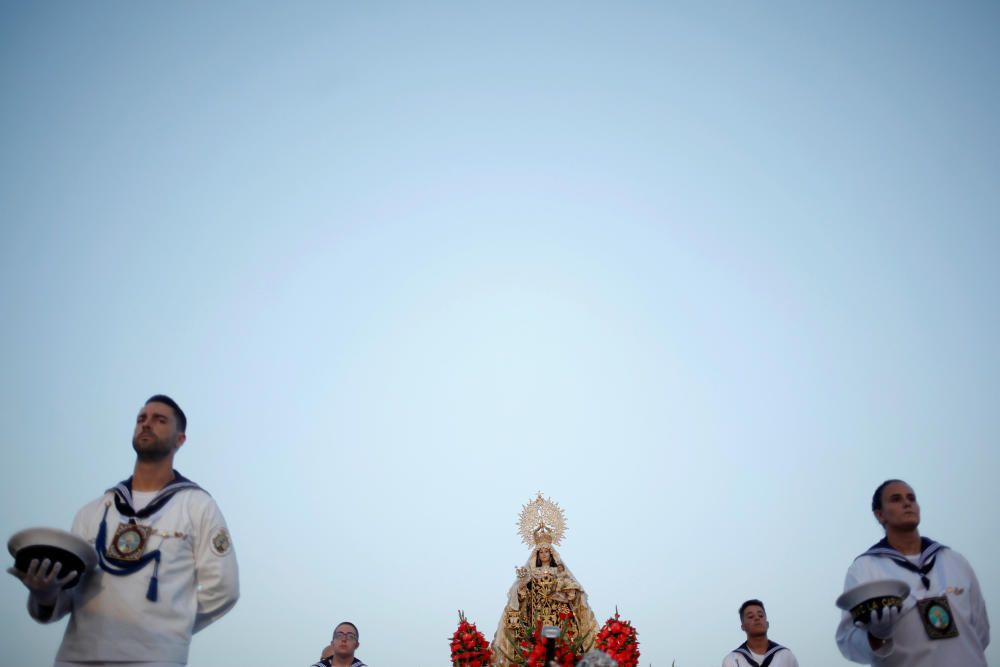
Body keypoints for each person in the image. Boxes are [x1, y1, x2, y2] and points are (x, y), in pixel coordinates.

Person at [7, 395, 240, 666]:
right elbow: (65, 596)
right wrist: (45, 595)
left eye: (159, 420)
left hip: (153, 659)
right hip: (78, 658)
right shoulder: (93, 512)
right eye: (141, 418)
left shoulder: (198, 506)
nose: (146, 424)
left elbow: (225, 588)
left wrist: (171, 627)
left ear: (180, 440)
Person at [835, 479, 990, 666]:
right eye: (895, 499)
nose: (907, 503)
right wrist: (876, 637)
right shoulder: (864, 568)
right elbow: (847, 641)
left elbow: (980, 631)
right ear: (880, 515)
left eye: (911, 498)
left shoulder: (954, 560)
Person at [722, 599, 799, 667]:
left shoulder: (785, 656)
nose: (757, 618)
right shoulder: (732, 660)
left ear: (767, 623)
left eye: (761, 615)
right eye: (751, 616)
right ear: (743, 627)